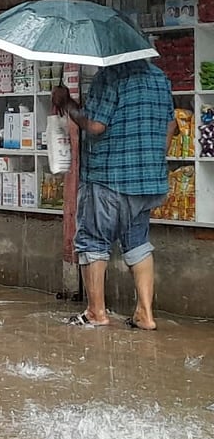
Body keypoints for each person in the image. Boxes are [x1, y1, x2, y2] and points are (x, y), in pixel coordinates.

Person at [52, 59, 175, 331]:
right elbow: (170, 125)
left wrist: (68, 104)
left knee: (92, 240)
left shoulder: (110, 75)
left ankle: (96, 312)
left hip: (109, 177)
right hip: (147, 179)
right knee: (137, 242)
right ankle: (145, 313)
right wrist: (153, 160)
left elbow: (96, 125)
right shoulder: (159, 77)